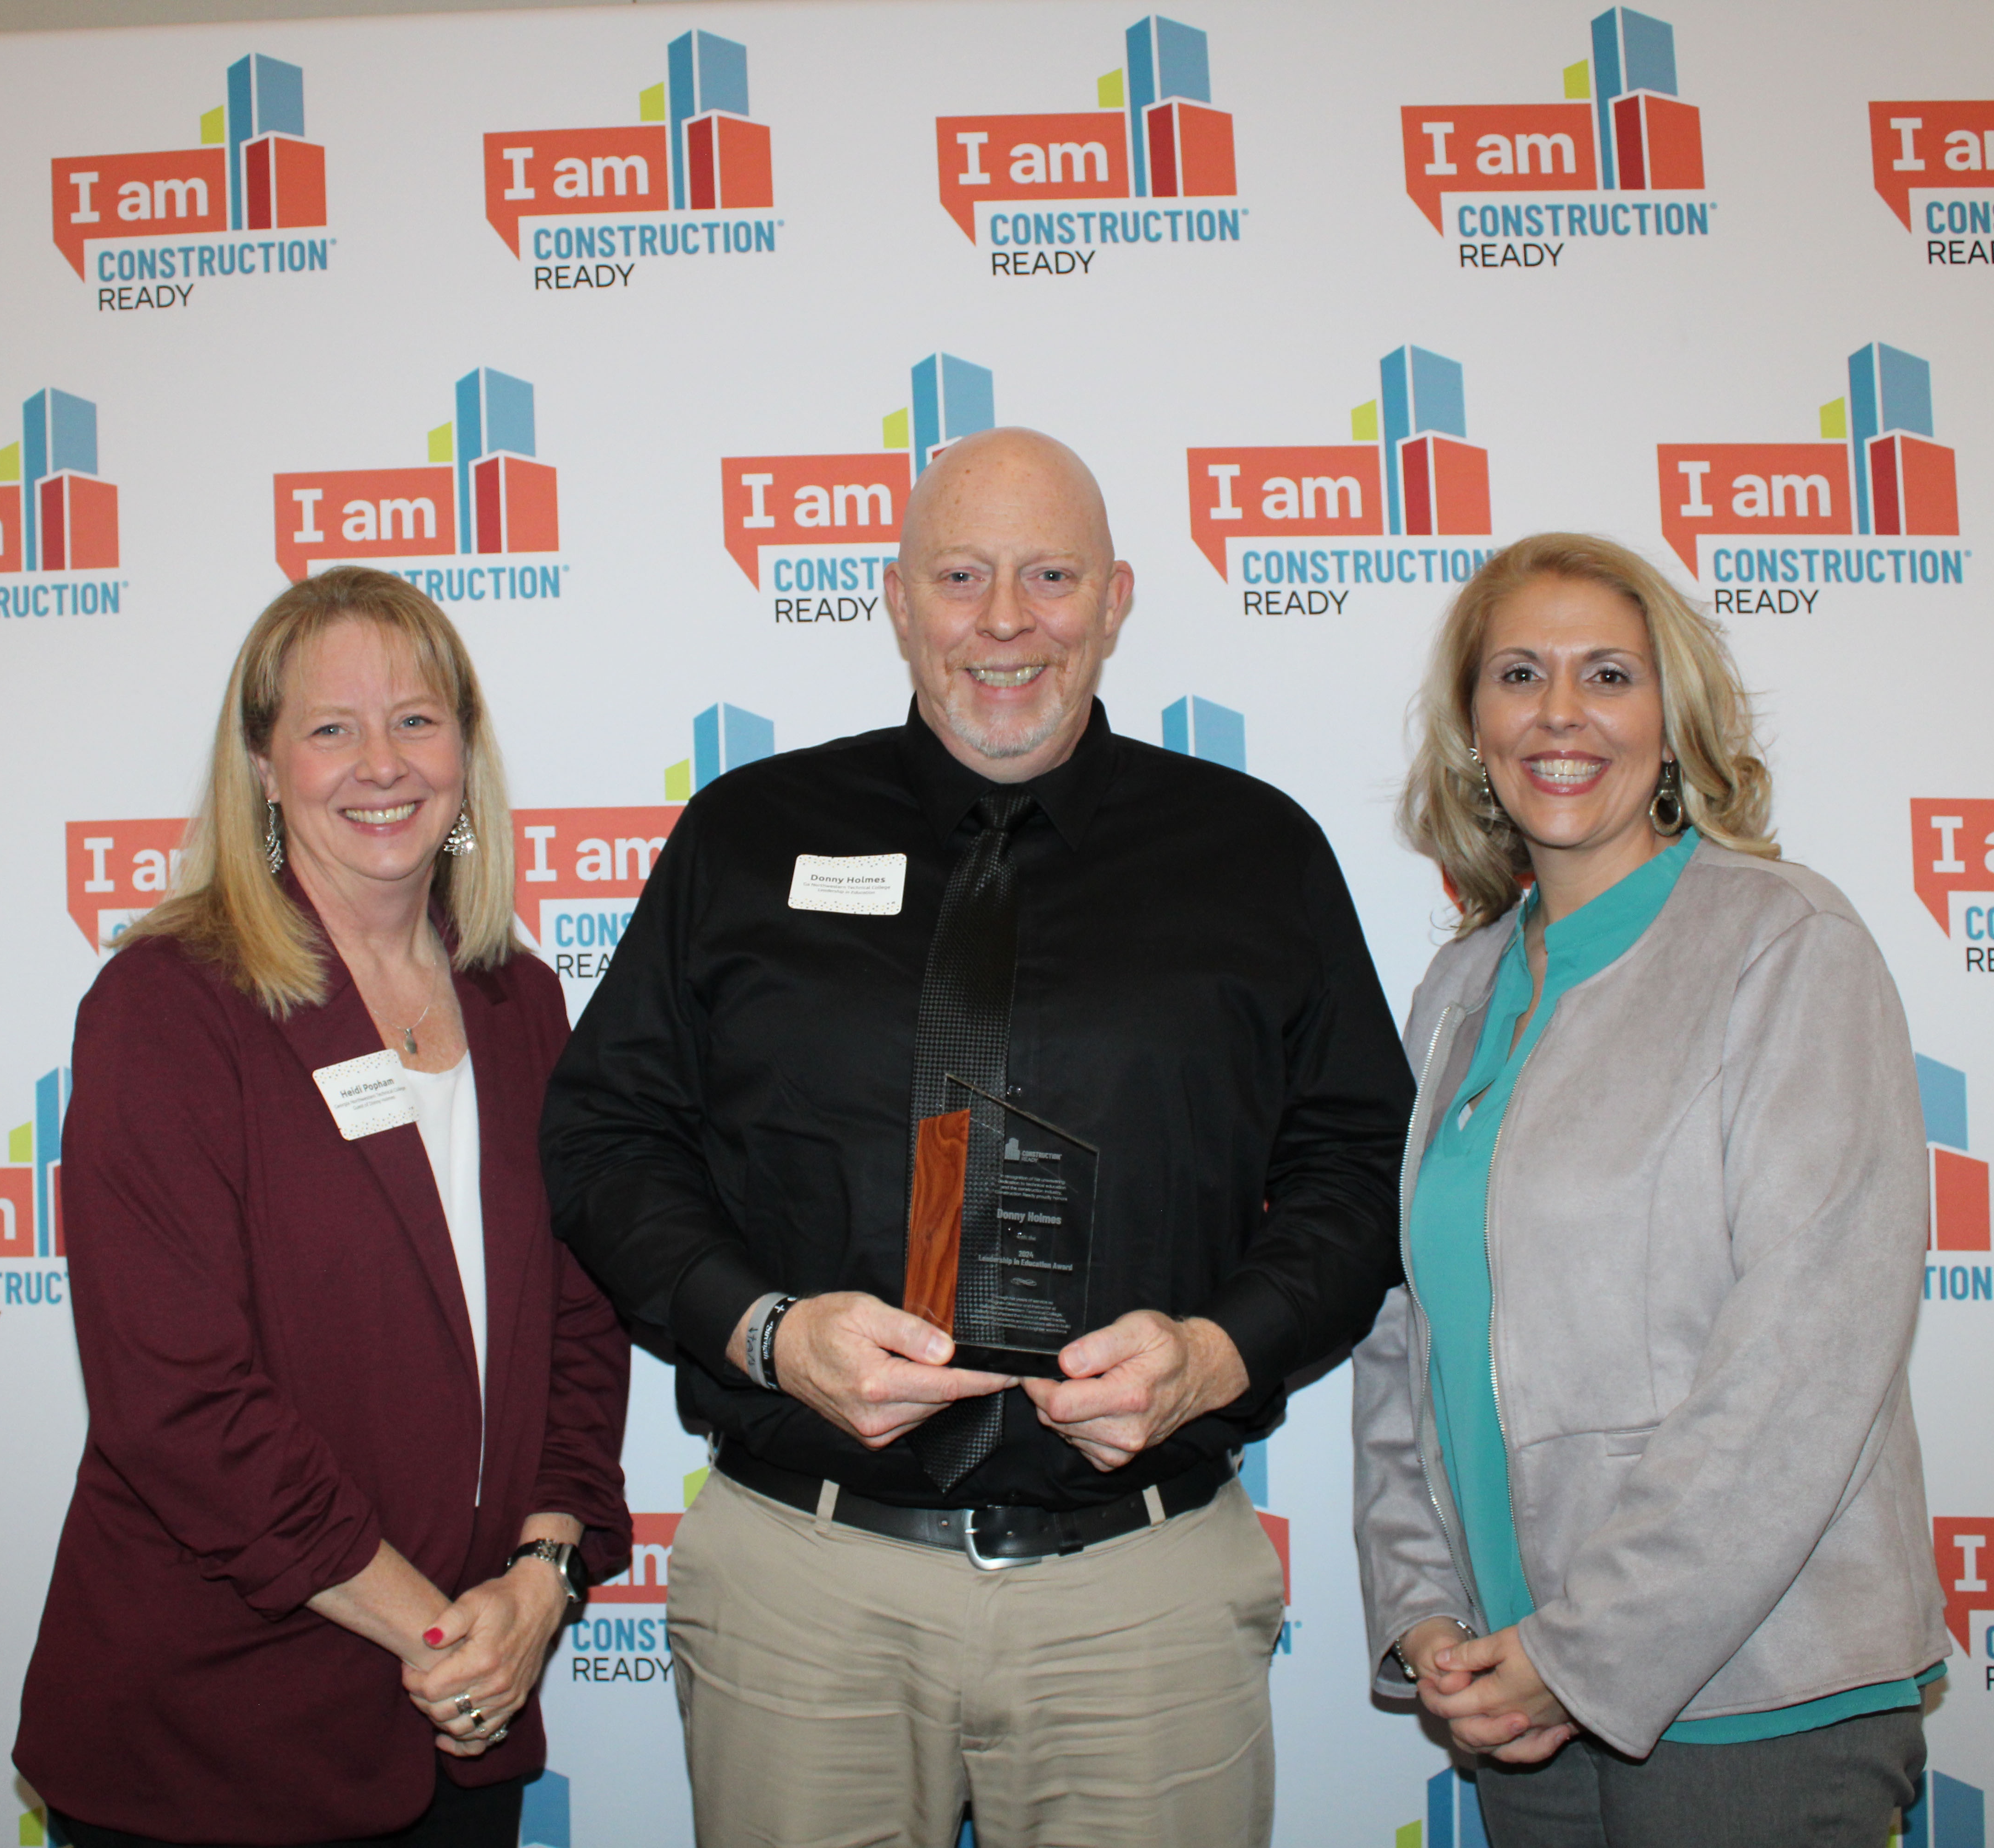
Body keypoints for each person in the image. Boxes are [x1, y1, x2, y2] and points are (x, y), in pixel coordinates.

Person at [542, 427, 1409, 1848]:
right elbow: (606, 1137)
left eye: (1050, 575)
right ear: (896, 599)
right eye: (961, 575)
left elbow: (1360, 1164)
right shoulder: (746, 836)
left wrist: (1220, 1352)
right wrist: (765, 1332)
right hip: (806, 1581)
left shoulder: (1258, 856)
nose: (1005, 621)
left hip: (1138, 1594)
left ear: (1119, 599)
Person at [15, 568, 630, 1848]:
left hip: (461, 1736)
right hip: (217, 1741)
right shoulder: (172, 1007)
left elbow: (581, 1331)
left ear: (465, 751)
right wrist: (448, 1634)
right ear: (261, 765)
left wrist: (543, 1574)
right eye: (331, 727)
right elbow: (178, 1405)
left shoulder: (522, 1008)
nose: (381, 763)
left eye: (416, 719)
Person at [1350, 534, 1945, 1846]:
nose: (1560, 713)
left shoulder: (1787, 945)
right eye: (1518, 674)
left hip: (1756, 1699)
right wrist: (1425, 1613)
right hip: (1514, 1699)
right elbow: (1407, 1340)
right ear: (1474, 729)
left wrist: (1589, 1650)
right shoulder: (1459, 991)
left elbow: (1808, 1358)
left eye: (1607, 674)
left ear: (1672, 725)